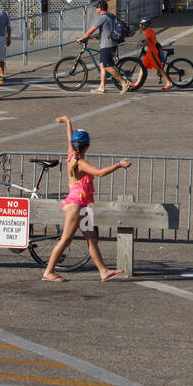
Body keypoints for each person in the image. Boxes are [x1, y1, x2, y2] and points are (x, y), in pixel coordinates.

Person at [42, 117, 131, 282]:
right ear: (87, 146)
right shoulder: (80, 162)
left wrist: (68, 121)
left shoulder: (71, 154)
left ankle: (103, 271)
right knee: (66, 239)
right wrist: (118, 165)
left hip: (81, 205)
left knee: (91, 238)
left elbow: (70, 139)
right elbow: (99, 173)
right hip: (75, 205)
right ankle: (48, 271)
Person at [77, 0, 130, 93]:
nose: (96, 9)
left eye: (97, 8)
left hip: (107, 45)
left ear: (100, 8)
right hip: (110, 43)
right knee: (102, 65)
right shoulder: (111, 16)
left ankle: (123, 82)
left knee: (106, 65)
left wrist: (82, 38)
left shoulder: (102, 17)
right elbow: (106, 30)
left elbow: (91, 30)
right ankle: (102, 87)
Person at [137, 18, 170, 90]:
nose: (140, 26)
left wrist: (142, 44)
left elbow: (147, 40)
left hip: (152, 52)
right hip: (150, 52)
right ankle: (137, 83)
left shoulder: (148, 31)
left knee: (159, 68)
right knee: (142, 66)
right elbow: (149, 39)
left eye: (141, 25)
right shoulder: (150, 30)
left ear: (144, 25)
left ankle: (168, 82)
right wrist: (143, 41)